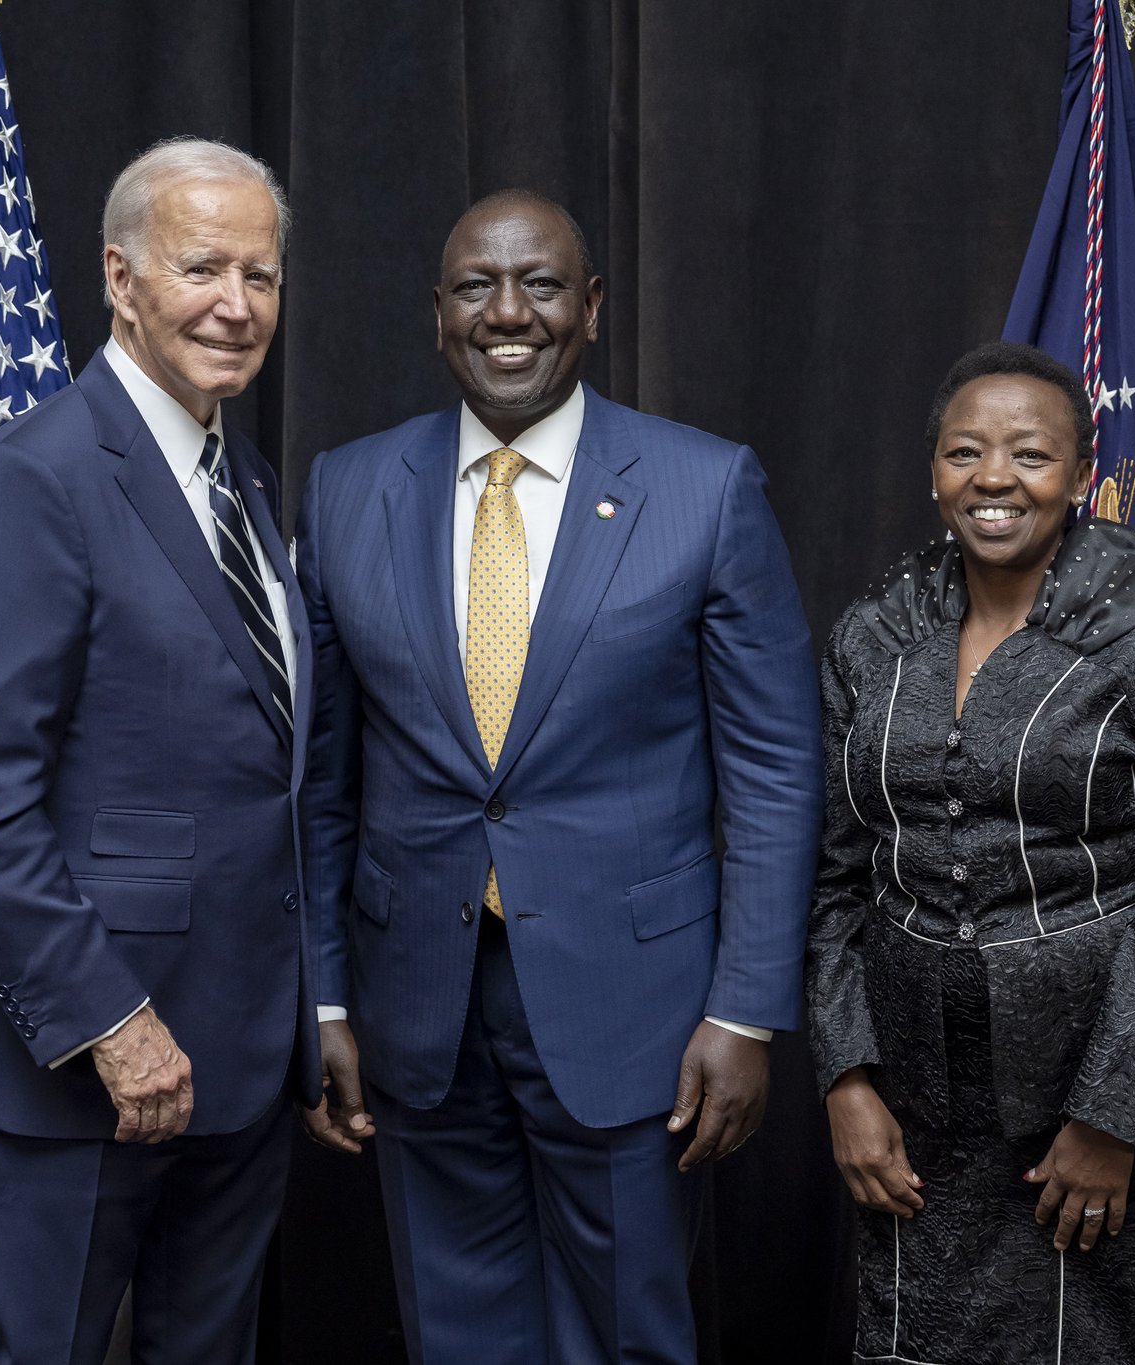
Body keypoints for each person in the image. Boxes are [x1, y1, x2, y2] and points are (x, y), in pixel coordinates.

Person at [295, 189, 825, 1364]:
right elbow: (322, 781)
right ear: (438, 314)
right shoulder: (344, 490)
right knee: (459, 1334)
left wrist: (744, 1008)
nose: (507, 313)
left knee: (628, 1331)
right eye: (477, 286)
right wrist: (324, 997)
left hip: (638, 1010)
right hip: (414, 1008)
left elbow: (777, 771)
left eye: (538, 284)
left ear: (589, 307)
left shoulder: (704, 488)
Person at [0, 138, 320, 1364]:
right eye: (203, 267)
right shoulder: (36, 475)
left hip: (244, 1058)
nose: (236, 305)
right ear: (119, 277)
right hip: (95, 1059)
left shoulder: (242, 479)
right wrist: (112, 1022)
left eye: (260, 276)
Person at [806, 341, 1135, 1363]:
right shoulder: (873, 633)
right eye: (964, 452)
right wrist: (844, 1078)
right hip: (918, 1103)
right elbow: (834, 878)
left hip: (1102, 1104)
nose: (993, 478)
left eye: (1029, 455)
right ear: (933, 475)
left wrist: (1110, 1119)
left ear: (1080, 477)